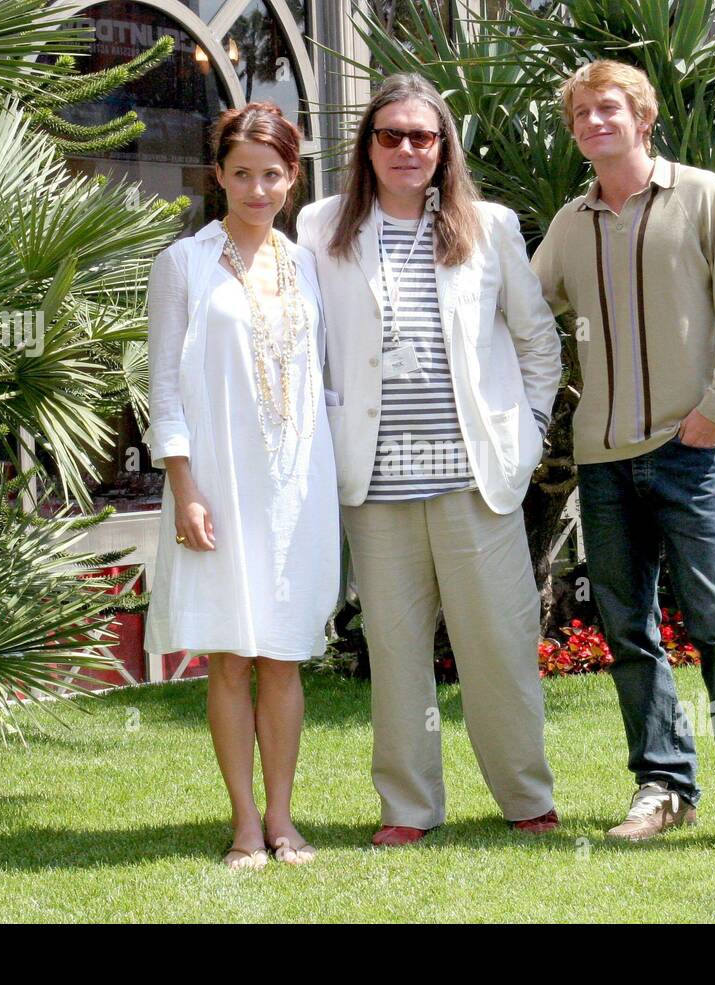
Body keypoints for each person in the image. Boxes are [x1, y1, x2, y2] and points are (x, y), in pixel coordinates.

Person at [295, 74, 562, 846]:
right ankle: (408, 806)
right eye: (390, 135)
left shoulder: (490, 226)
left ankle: (525, 796)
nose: (406, 148)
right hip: (374, 485)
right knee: (399, 651)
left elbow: (538, 341)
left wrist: (530, 431)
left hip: (476, 480)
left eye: (422, 135)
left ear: (444, 146)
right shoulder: (320, 227)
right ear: (367, 146)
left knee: (500, 647)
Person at [531, 60, 715, 860]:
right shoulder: (571, 223)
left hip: (690, 452)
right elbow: (525, 309)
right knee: (629, 631)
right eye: (581, 113)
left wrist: (714, 410)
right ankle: (664, 785)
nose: (594, 122)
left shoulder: (702, 195)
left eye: (608, 108)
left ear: (642, 118)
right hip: (603, 464)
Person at [142, 102, 338, 870]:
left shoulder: (307, 264)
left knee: (283, 653)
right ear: (218, 175)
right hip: (215, 482)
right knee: (230, 655)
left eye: (273, 174)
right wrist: (184, 484)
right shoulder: (183, 264)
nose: (258, 188)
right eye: (242, 173)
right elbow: (163, 385)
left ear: (292, 178)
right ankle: (245, 822)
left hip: (295, 488)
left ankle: (285, 818)